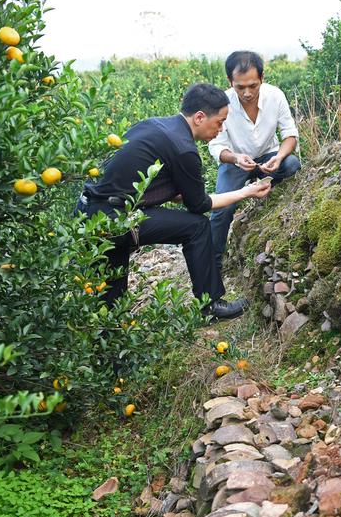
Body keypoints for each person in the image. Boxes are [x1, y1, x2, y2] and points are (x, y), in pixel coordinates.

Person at [76, 83, 271, 320]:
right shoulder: (184, 148)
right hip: (116, 217)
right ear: (200, 117)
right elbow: (199, 206)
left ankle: (107, 342)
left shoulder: (155, 125)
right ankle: (211, 304)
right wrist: (246, 192)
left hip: (89, 213)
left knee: (108, 297)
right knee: (197, 226)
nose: (220, 129)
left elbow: (140, 177)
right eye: (219, 122)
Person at [208, 50, 301, 273]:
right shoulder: (222, 102)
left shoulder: (275, 96)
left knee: (291, 164)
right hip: (234, 162)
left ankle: (264, 196)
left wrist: (278, 157)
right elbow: (216, 146)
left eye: (253, 85)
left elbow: (290, 135)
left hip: (268, 157)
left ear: (262, 78)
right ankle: (212, 263)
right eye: (240, 87)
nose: (247, 93)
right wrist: (236, 158)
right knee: (222, 208)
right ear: (230, 81)